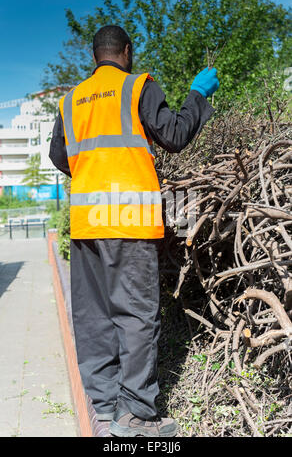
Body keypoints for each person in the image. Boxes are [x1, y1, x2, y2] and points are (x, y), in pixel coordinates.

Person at [49, 25, 219, 437]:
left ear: (94, 56)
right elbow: (175, 136)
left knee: (94, 316)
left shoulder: (70, 101)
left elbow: (59, 156)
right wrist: (198, 95)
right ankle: (137, 415)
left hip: (87, 223)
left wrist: (96, 172)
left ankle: (105, 408)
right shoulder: (137, 86)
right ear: (126, 52)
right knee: (137, 316)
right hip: (129, 219)